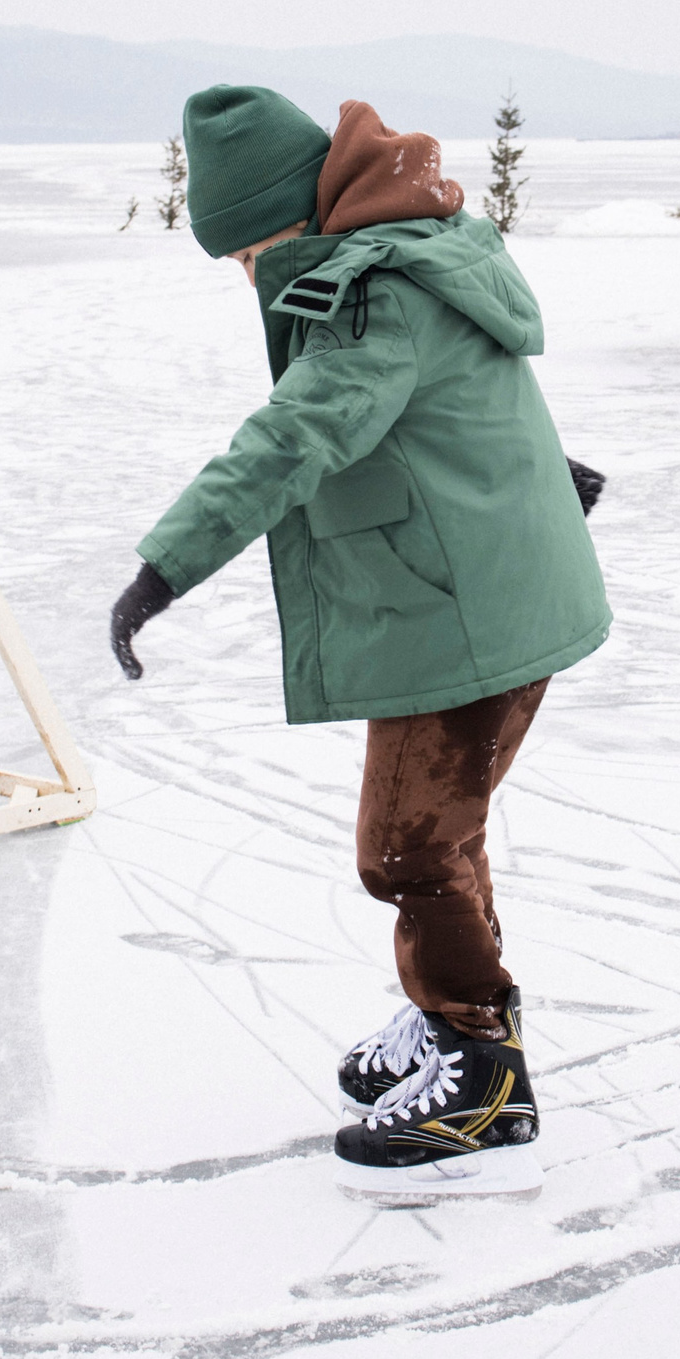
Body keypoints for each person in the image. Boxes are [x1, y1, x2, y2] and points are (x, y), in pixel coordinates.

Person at [109, 87, 609, 1199]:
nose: (249, 275)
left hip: (469, 609)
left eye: (251, 250)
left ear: (296, 214)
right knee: (441, 835)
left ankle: (480, 1063)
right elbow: (468, 401)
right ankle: (456, 1015)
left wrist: (165, 565)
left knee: (406, 849)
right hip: (472, 591)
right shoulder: (421, 249)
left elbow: (297, 433)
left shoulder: (373, 294)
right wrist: (528, 483)